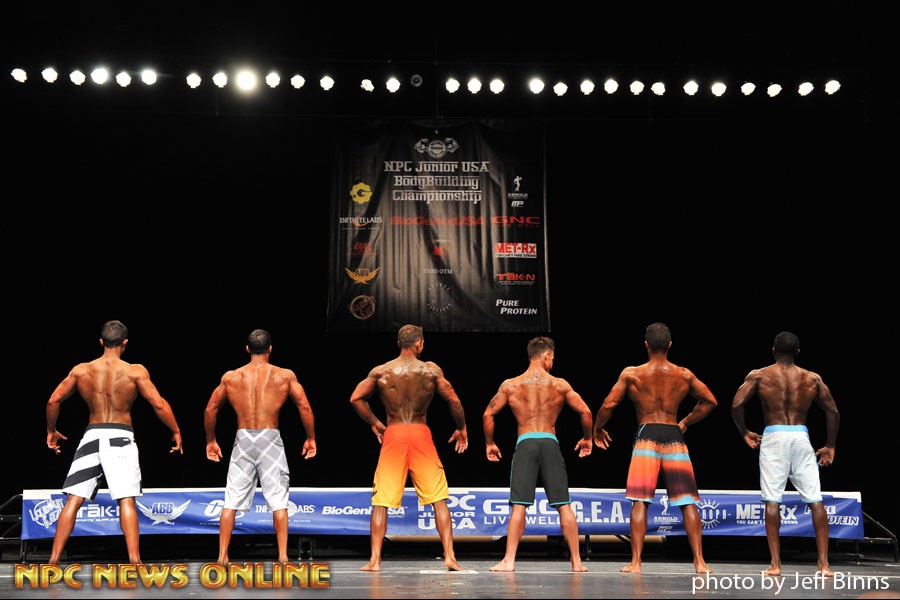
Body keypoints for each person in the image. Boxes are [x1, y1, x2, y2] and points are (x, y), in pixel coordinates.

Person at [45, 320, 183, 564]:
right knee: (126, 499)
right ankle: (135, 562)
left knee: (73, 499)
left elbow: (53, 401)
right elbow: (158, 404)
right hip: (120, 437)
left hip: (92, 436)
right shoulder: (135, 371)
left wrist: (51, 430)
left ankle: (53, 561)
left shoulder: (81, 371)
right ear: (125, 343)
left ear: (101, 342)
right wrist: (176, 431)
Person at [593, 322, 716, 574]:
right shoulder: (683, 374)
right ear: (669, 345)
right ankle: (700, 563)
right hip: (673, 435)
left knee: (640, 500)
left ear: (646, 345)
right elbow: (710, 401)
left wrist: (597, 429)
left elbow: (608, 404)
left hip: (647, 435)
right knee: (687, 501)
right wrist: (685, 422)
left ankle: (636, 563)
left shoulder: (632, 374)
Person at [349, 324, 468, 572]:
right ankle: (449, 556)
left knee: (381, 501)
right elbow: (454, 399)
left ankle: (374, 561)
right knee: (438, 499)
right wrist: (461, 427)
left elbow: (355, 398)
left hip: (394, 434)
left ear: (398, 343)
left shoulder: (382, 371)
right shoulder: (430, 370)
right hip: (420, 434)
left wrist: (375, 423)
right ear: (420, 344)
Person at [731, 331, 839, 577]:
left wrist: (745, 432)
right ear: (797, 352)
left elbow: (736, 405)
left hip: (774, 437)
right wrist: (830, 445)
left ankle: (775, 565)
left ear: (773, 350)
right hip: (801, 438)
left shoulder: (759, 375)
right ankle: (824, 565)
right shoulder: (812, 378)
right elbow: (833, 411)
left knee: (772, 500)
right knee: (815, 499)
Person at [204, 329, 317, 565]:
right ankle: (283, 556)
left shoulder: (232, 377)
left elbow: (210, 409)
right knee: (279, 500)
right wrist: (310, 438)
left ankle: (222, 556)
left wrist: (211, 441)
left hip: (243, 438)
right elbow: (304, 407)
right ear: (270, 349)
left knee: (231, 500)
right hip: (270, 439)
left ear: (247, 349)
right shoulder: (284, 375)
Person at [483, 336, 592, 573]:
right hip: (550, 443)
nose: (552, 363)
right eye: (552, 359)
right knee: (564, 505)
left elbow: (488, 414)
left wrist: (490, 443)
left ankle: (509, 561)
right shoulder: (559, 385)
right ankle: (577, 562)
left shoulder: (511, 385)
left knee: (519, 506)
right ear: (546, 356)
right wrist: (587, 438)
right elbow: (585, 411)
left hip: (526, 443)